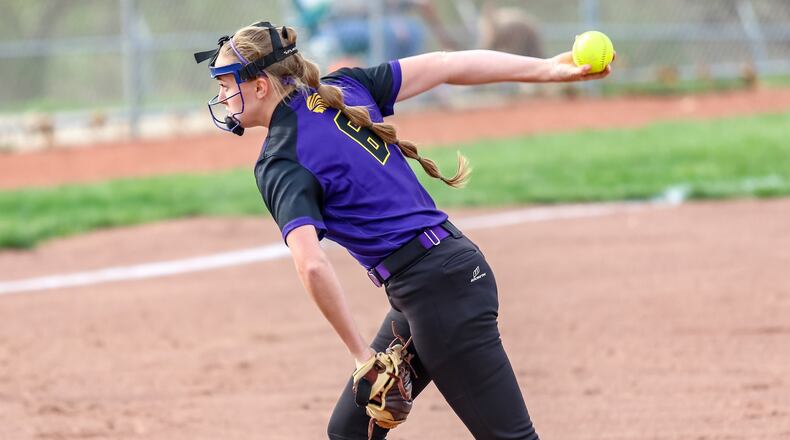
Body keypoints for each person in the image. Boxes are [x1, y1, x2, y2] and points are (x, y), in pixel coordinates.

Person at [194, 21, 612, 440]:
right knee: (349, 431)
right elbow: (448, 65)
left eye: (227, 83)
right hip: (437, 281)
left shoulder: (281, 158)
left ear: (261, 85)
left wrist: (363, 357)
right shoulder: (342, 90)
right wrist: (548, 69)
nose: (222, 96)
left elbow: (313, 267)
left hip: (439, 293)